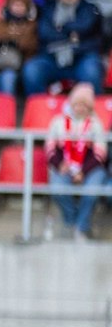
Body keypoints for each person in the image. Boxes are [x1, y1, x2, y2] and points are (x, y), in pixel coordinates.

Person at [46, 83, 110, 239]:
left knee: (92, 192)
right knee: (58, 190)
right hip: (64, 166)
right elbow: (50, 148)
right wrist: (59, 164)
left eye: (84, 105)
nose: (80, 108)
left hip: (90, 167)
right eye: (77, 104)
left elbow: (100, 153)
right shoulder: (58, 122)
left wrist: (83, 171)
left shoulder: (96, 124)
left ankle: (81, 227)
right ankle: (73, 221)